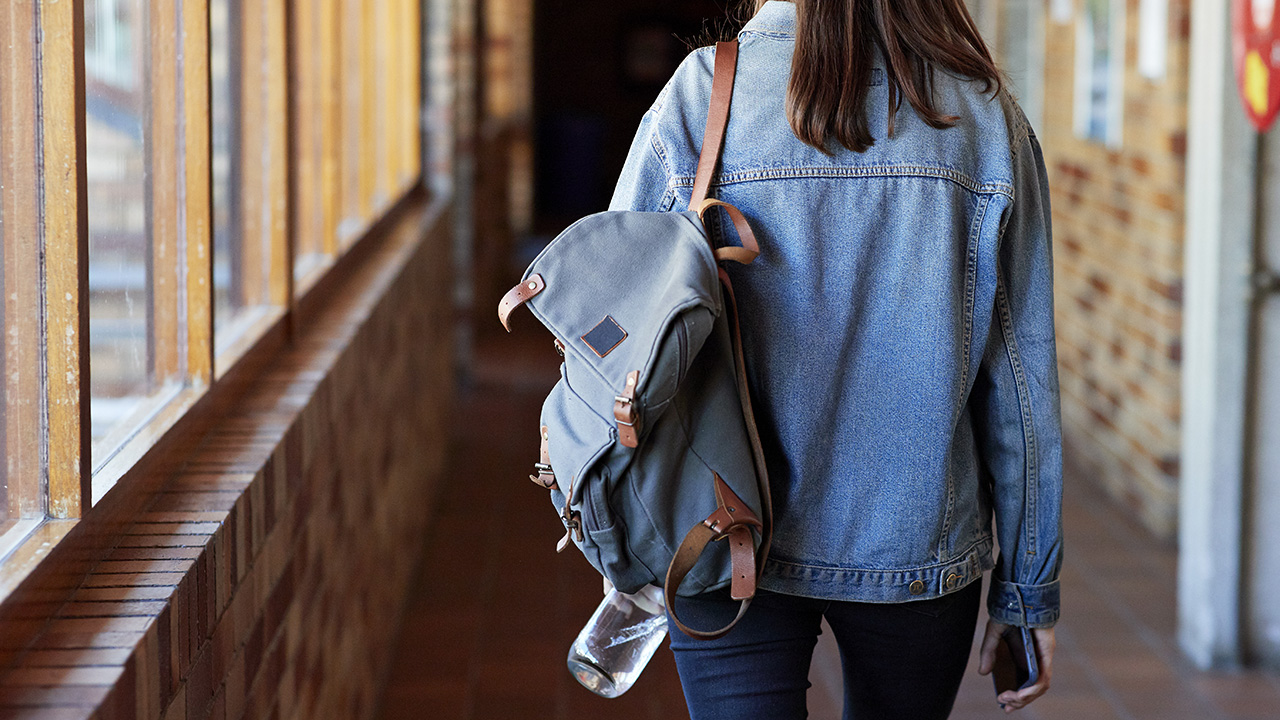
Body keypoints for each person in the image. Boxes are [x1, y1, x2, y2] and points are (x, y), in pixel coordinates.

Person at [608, 1, 1063, 718]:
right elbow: (1021, 384)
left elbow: (620, 337)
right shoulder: (982, 117)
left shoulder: (702, 96)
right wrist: (1028, 590)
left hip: (721, 535)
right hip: (916, 549)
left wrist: (623, 538)